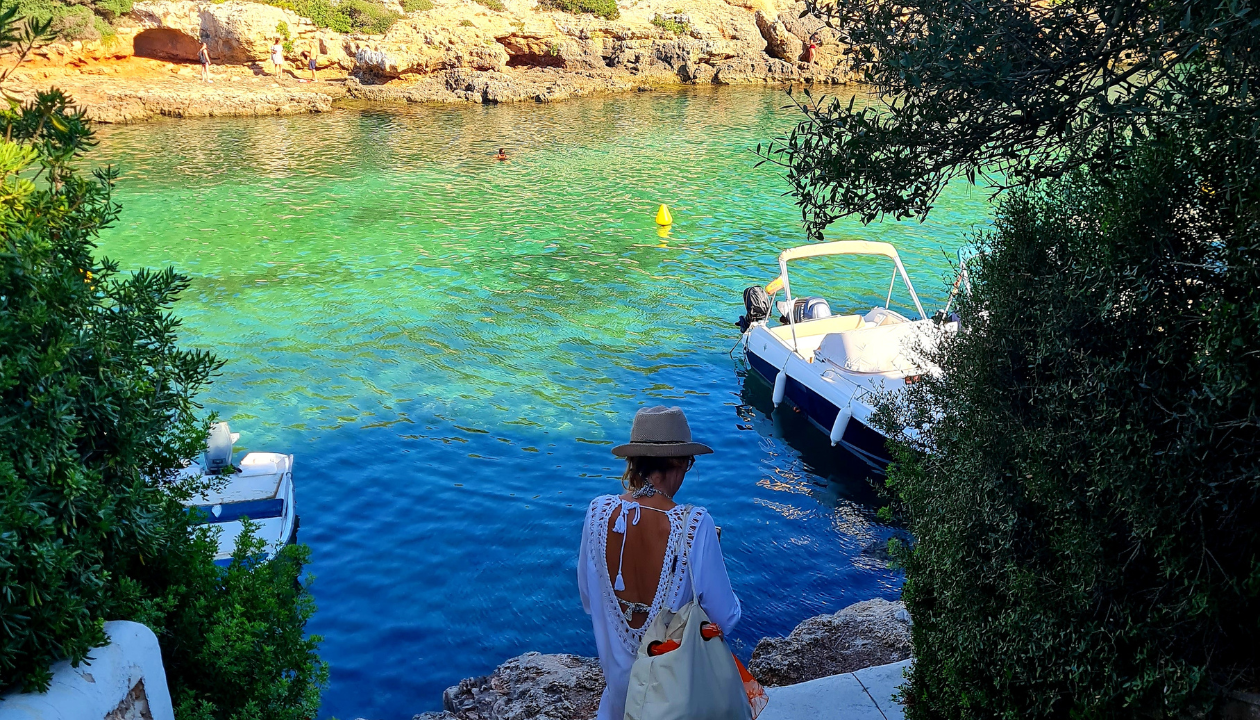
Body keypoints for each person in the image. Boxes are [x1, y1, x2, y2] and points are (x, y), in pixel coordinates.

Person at [578, 406, 741, 720]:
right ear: (679, 463)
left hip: (617, 706)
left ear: (635, 461)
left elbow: (588, 599)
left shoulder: (597, 513)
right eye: (689, 464)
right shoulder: (696, 525)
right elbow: (726, 618)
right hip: (671, 704)